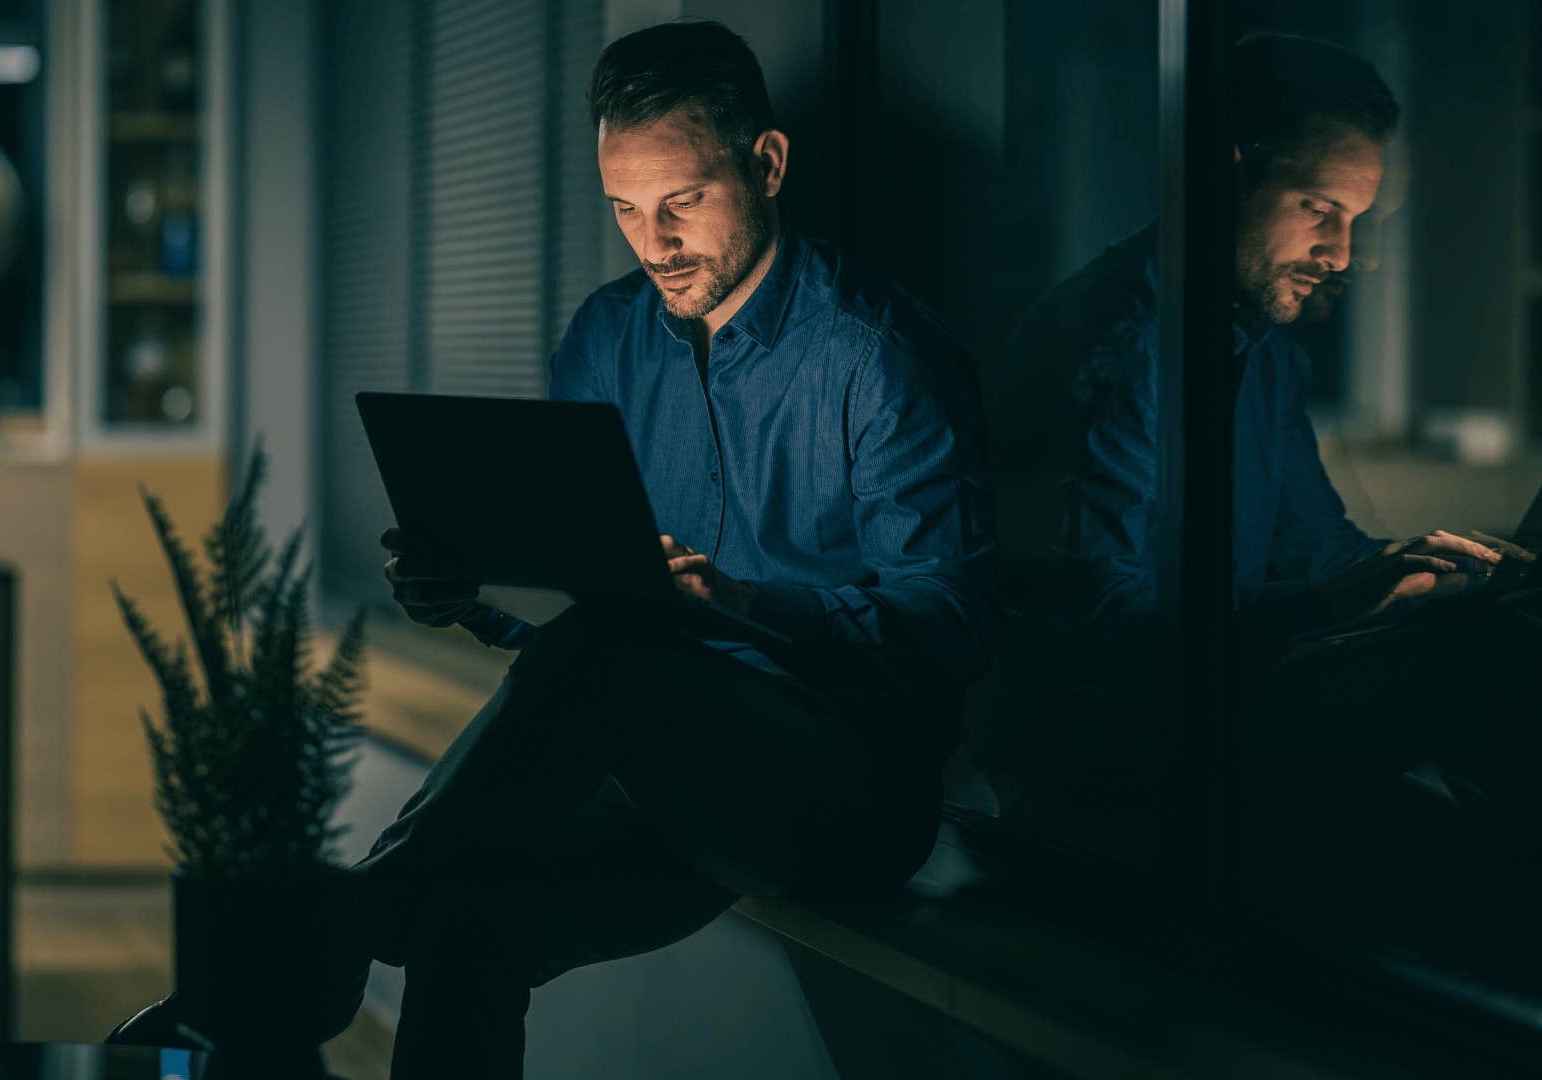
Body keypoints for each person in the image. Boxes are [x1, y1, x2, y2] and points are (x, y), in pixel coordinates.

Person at [348, 19, 996, 1077]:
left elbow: (956, 627)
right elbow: (572, 625)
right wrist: (464, 595)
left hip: (846, 793)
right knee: (467, 920)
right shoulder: (607, 336)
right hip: (660, 771)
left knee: (621, 651)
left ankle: (357, 907)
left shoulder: (880, 357)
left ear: (769, 164)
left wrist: (744, 603)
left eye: (683, 202)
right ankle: (387, 905)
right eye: (626, 210)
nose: (655, 243)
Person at [985, 30, 1539, 939]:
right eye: (1319, 208)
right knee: (1493, 682)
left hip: (1213, 717)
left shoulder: (1255, 345)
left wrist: (1448, 571)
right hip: (1111, 770)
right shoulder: (1122, 347)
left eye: (1359, 222)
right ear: (1224, 170)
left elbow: (1316, 548)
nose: (1343, 253)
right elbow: (1097, 633)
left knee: (1503, 633)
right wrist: (1328, 605)